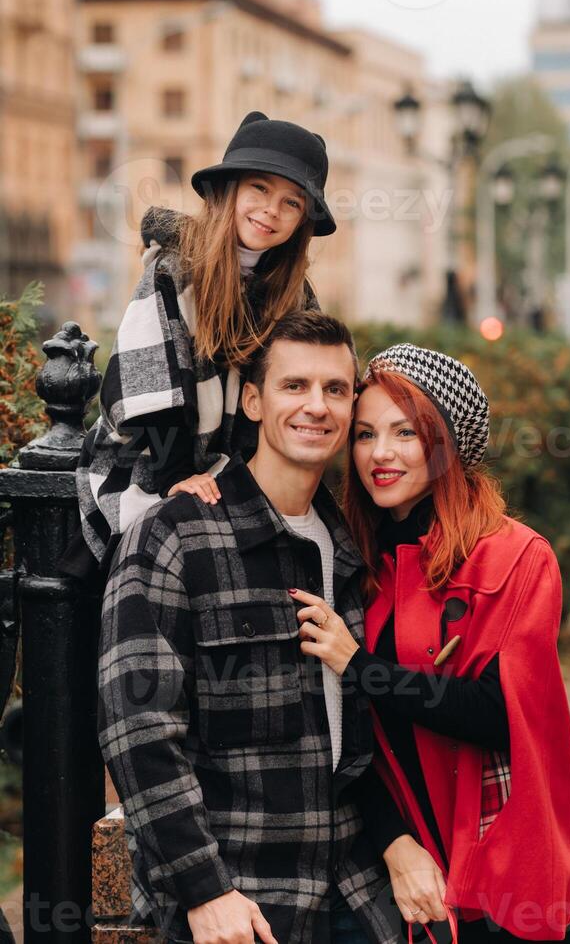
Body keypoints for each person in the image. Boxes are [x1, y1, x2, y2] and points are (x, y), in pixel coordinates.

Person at [97, 312, 398, 944]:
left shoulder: (349, 545)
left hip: (356, 894)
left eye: (336, 389)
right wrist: (204, 891)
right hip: (244, 906)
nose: (317, 406)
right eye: (295, 386)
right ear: (255, 401)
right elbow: (138, 729)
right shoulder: (174, 534)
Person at [291, 343, 570, 943]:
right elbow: (345, 737)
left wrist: (361, 666)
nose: (380, 454)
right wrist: (395, 842)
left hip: (507, 881)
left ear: (448, 444)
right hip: (408, 881)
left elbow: (497, 714)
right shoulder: (352, 559)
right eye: (366, 433)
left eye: (406, 433)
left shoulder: (515, 558)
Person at [60, 110, 336, 589]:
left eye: (291, 202)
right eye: (259, 190)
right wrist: (177, 474)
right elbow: (146, 380)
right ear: (228, 191)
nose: (271, 210)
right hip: (153, 460)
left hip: (238, 464)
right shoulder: (173, 269)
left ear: (301, 221)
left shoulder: (294, 294)